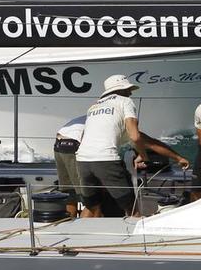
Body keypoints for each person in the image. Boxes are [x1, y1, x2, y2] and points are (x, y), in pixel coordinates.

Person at [76, 75, 188, 218]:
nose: (130, 92)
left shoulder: (94, 106)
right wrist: (144, 156)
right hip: (106, 160)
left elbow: (146, 140)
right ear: (120, 90)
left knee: (92, 208)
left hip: (82, 161)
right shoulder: (125, 102)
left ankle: (85, 233)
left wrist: (177, 157)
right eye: (127, 89)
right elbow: (135, 136)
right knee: (132, 209)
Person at [54, 115, 86, 218]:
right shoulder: (113, 120)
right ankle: (86, 224)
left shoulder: (91, 115)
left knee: (69, 192)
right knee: (89, 198)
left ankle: (69, 222)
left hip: (59, 143)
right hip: (73, 143)